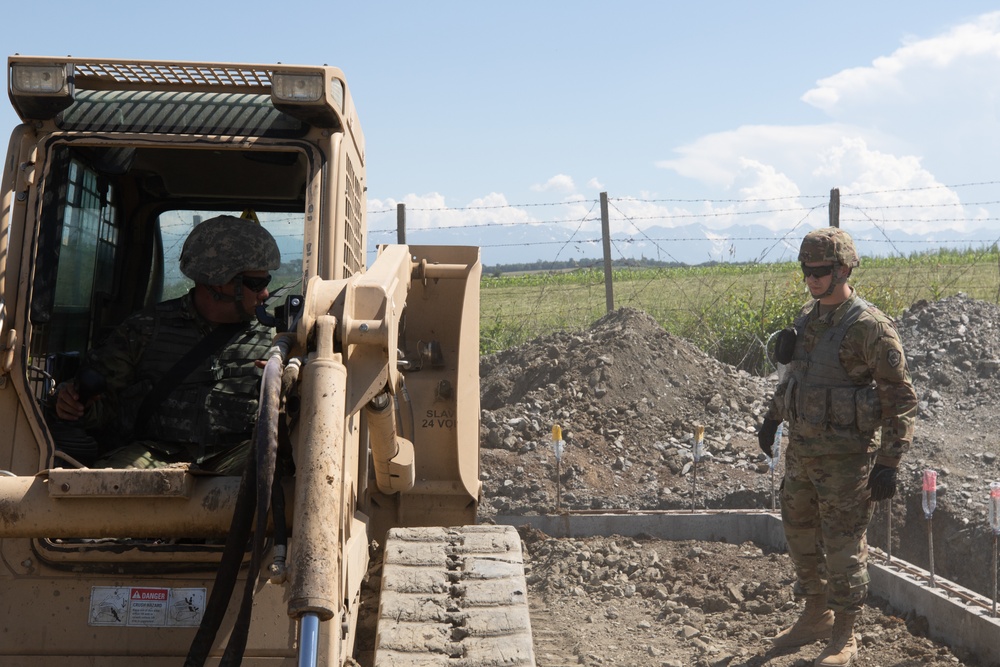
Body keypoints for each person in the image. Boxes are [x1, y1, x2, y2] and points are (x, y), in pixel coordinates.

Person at [757, 227, 917, 666]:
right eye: (806, 270)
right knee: (800, 535)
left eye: (821, 271)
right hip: (803, 455)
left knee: (844, 547)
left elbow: (900, 398)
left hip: (847, 463)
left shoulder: (869, 326)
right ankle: (816, 614)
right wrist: (772, 419)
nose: (812, 278)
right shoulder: (808, 318)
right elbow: (796, 379)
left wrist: (889, 461)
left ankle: (844, 635)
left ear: (843, 268)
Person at [50, 214, 281, 474]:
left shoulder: (277, 338)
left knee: (273, 475)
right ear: (219, 281)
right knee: (105, 487)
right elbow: (102, 406)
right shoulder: (145, 328)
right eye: (256, 283)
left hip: (238, 456)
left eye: (266, 282)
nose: (265, 294)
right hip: (156, 455)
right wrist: (72, 404)